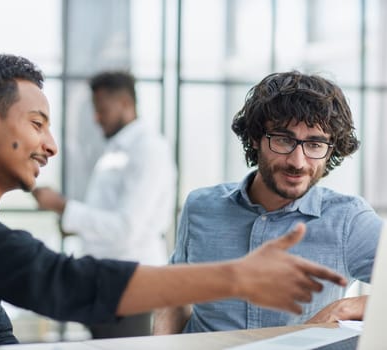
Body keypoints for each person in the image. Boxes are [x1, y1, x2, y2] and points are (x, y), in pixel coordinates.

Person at [0, 55, 347, 350]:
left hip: (124, 285)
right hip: (111, 286)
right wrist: (234, 276)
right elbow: (52, 280)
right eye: (37, 123)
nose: (51, 145)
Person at [153, 71, 383, 335]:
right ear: (255, 137)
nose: (298, 162)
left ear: (330, 149)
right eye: (284, 139)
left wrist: (344, 308)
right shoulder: (200, 207)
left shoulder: (348, 221)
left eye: (315, 144)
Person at [31, 71, 176, 338]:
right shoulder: (116, 148)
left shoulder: (148, 149)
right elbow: (107, 215)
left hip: (132, 284)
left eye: (102, 110)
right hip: (108, 282)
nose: (97, 118)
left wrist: (63, 207)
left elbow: (126, 227)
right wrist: (72, 223)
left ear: (125, 104)